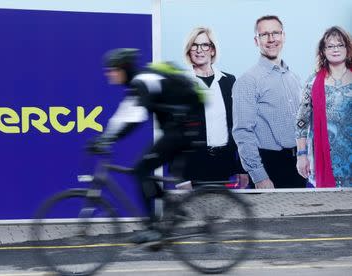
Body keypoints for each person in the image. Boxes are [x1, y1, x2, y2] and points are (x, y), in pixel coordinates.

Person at [89, 48, 205, 242]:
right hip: (180, 128)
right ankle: (172, 211)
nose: (108, 73)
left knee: (141, 170)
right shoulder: (138, 82)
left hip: (184, 129)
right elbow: (123, 116)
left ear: (123, 68)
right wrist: (105, 137)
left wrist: (107, 139)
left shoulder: (142, 81)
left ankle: (154, 228)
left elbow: (135, 118)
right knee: (143, 171)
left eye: (112, 69)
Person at [232, 15, 306, 189]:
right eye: (265, 34)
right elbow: (243, 132)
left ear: (283, 36)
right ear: (256, 41)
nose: (271, 39)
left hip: (298, 165)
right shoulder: (248, 81)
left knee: (300, 216)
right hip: (269, 166)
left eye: (276, 33)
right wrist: (259, 176)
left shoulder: (294, 78)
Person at [178, 26, 248, 188]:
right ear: (189, 51)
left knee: (224, 211)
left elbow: (237, 126)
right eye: (194, 45)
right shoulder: (181, 83)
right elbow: (175, 130)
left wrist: (241, 168)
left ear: (213, 50)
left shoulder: (228, 81)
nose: (199, 50)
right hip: (193, 164)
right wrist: (181, 175)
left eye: (204, 45)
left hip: (224, 162)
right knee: (195, 212)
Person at [295, 26, 352, 188]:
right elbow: (301, 122)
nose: (335, 49)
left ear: (347, 48)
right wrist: (301, 155)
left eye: (340, 45)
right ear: (323, 51)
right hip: (324, 159)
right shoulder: (312, 82)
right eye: (330, 46)